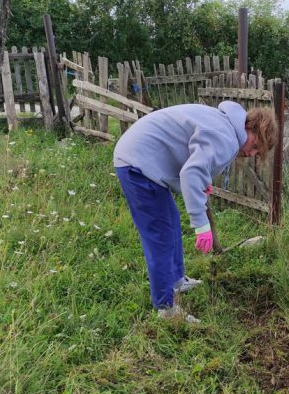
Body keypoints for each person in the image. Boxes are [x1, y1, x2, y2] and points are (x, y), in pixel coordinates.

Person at [113, 101, 278, 323]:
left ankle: (176, 281)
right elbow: (191, 174)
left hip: (142, 158)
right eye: (256, 145)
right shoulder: (227, 137)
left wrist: (200, 182)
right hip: (137, 164)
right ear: (252, 128)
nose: (251, 153)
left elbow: (192, 165)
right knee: (160, 235)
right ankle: (166, 309)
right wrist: (202, 226)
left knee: (170, 221)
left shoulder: (227, 125)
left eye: (258, 152)